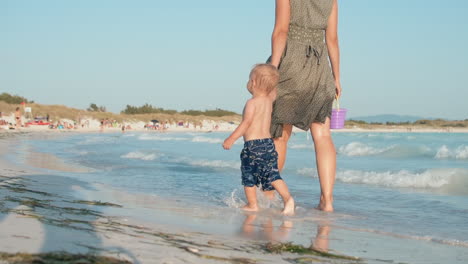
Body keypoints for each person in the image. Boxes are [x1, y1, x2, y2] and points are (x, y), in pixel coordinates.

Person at [268, 0, 342, 212]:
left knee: (280, 134)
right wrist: (337, 77)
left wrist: (273, 68)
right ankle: (327, 201)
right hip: (320, 68)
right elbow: (333, 40)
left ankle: (270, 194)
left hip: (291, 63)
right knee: (323, 135)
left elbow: (280, 32)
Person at [223, 64, 294, 215]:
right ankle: (288, 199)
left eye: (249, 79)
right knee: (273, 174)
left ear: (253, 82)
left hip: (253, 146)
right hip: (268, 145)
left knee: (248, 174)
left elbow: (246, 123)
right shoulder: (268, 100)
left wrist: (231, 138)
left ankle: (252, 204)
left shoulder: (251, 103)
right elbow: (273, 91)